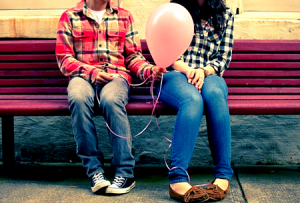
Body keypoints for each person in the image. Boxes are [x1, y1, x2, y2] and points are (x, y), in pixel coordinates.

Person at [56, 0, 163, 195]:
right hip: (82, 76)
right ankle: (95, 171)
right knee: (78, 99)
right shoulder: (70, 16)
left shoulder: (124, 16)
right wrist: (92, 73)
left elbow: (133, 57)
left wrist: (149, 71)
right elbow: (64, 58)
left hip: (116, 76)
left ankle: (125, 172)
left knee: (111, 101)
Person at [152, 0, 235, 202]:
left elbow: (223, 57)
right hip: (176, 75)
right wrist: (189, 71)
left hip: (209, 75)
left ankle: (223, 175)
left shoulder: (224, 15)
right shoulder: (174, 12)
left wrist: (203, 71)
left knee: (215, 94)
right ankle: (177, 178)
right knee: (192, 99)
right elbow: (168, 55)